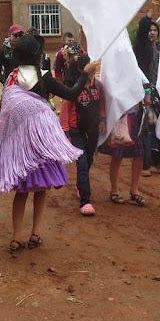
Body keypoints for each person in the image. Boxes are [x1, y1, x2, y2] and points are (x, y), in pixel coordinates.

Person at [0, 34, 100, 252]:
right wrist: (85, 73)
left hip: (19, 149)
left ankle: (17, 237)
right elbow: (72, 94)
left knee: (22, 191)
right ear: (38, 57)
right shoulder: (44, 77)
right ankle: (35, 233)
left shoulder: (12, 77)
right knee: (41, 190)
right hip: (41, 145)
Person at [60, 54, 106, 216]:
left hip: (92, 131)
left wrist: (102, 120)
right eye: (90, 69)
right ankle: (85, 201)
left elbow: (101, 104)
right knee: (82, 164)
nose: (93, 72)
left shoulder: (98, 86)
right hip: (76, 132)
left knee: (89, 160)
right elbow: (64, 111)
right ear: (81, 70)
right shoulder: (73, 87)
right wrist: (66, 133)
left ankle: (81, 185)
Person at [133, 0, 160, 176]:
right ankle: (145, 165)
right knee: (147, 126)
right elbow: (141, 31)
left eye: (155, 30)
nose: (152, 32)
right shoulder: (141, 47)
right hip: (146, 92)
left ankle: (158, 161)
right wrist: (150, 13)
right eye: (150, 30)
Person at [99, 103, 147, 207]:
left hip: (134, 116)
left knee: (139, 153)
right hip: (118, 116)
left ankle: (135, 190)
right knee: (117, 153)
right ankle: (114, 190)